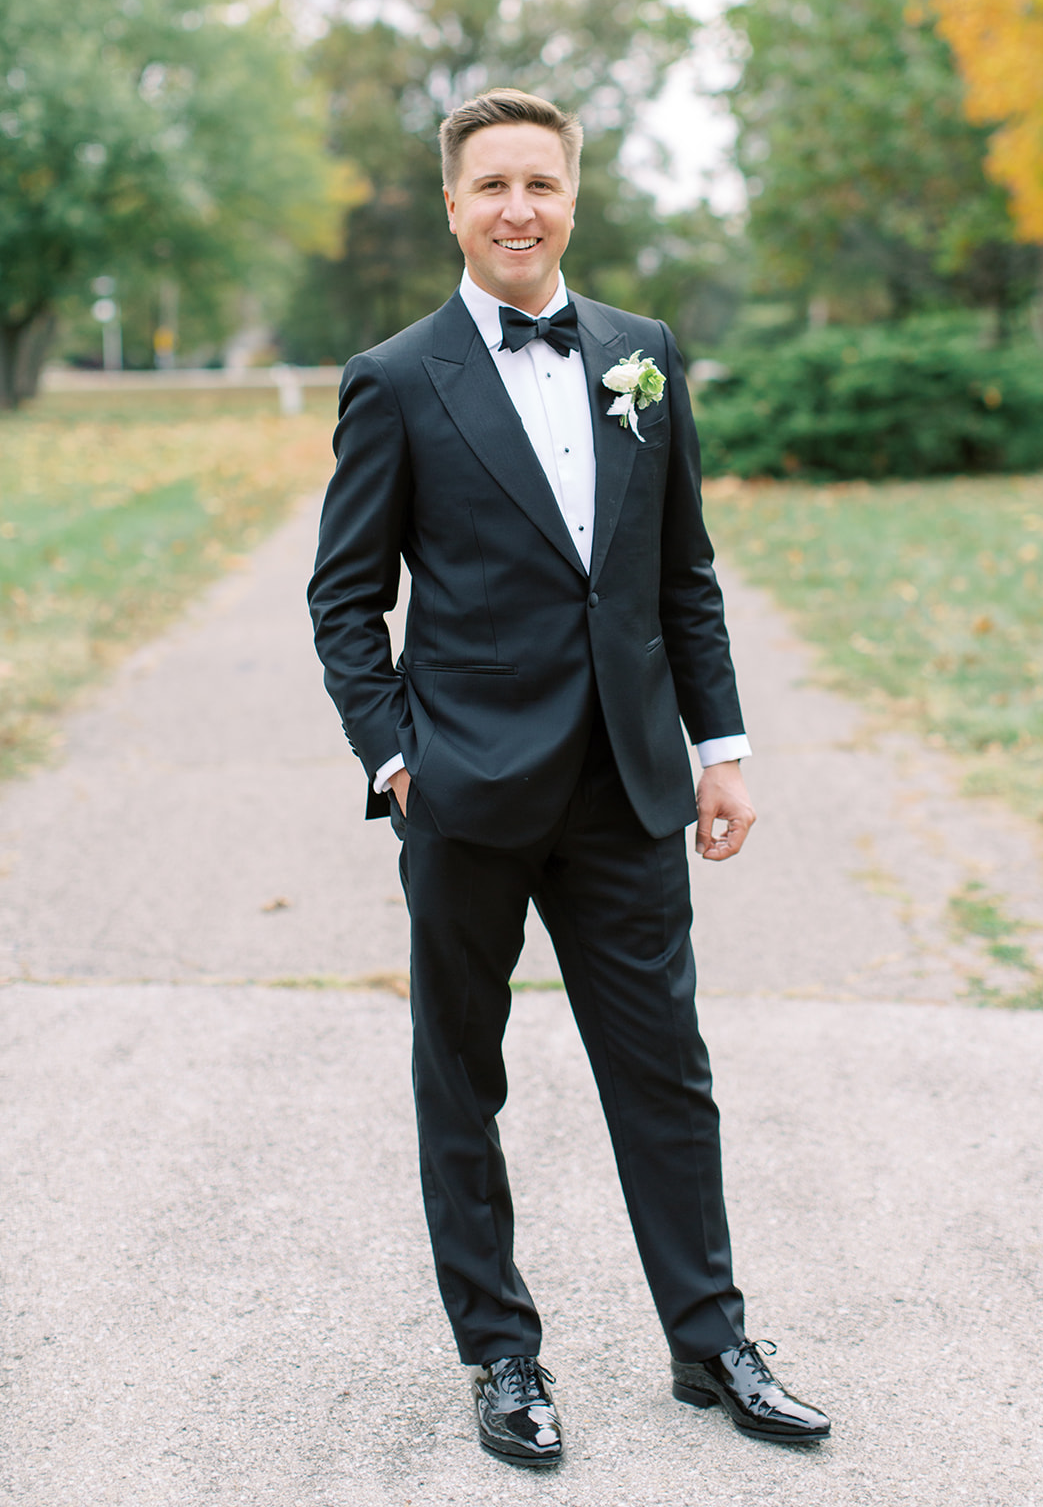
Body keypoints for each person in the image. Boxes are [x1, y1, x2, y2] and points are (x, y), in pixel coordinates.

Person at [308, 87, 829, 1468]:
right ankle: (501, 1356)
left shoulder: (645, 357)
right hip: (466, 796)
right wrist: (397, 759)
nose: (519, 208)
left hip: (626, 789)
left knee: (666, 1073)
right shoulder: (398, 379)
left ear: (574, 198)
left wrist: (721, 751)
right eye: (492, 187)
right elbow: (344, 602)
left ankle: (709, 1343)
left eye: (541, 183)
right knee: (459, 1081)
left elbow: (681, 577)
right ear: (454, 207)